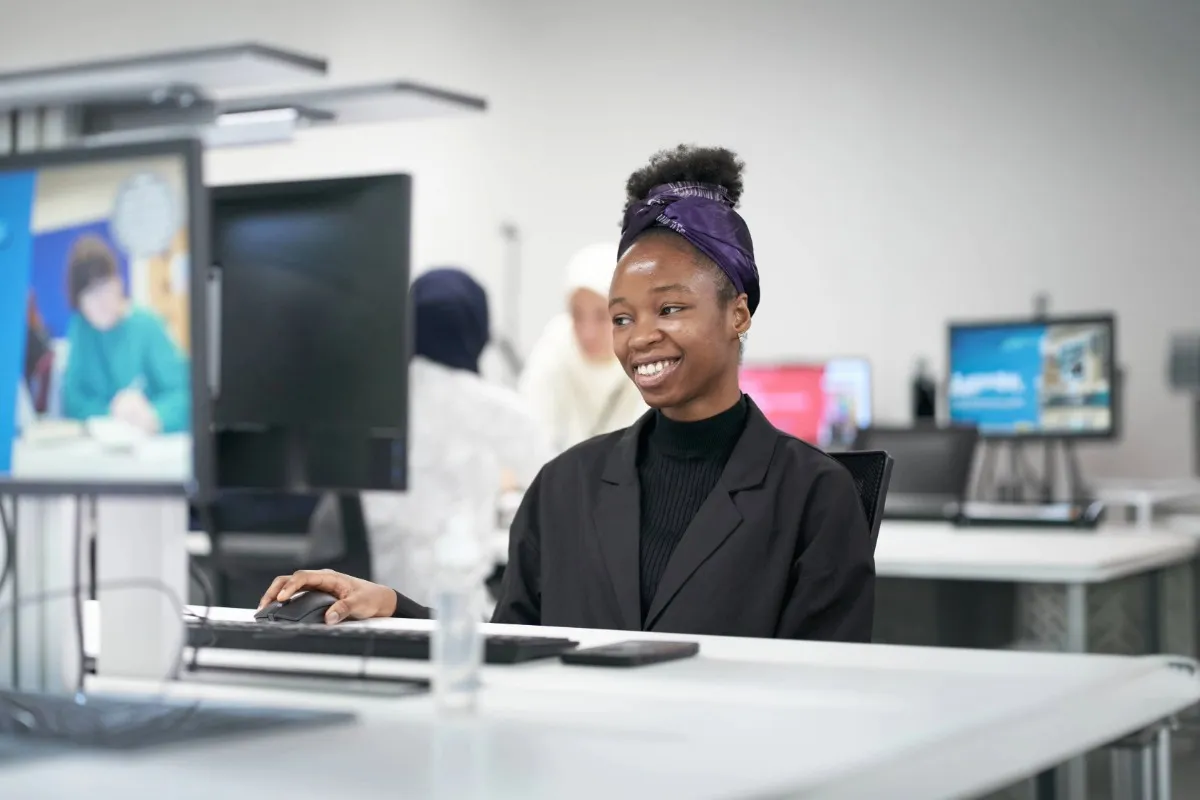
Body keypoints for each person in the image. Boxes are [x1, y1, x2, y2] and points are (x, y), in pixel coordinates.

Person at [261, 146, 875, 642]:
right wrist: (395, 608)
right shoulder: (564, 487)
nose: (640, 337)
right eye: (622, 317)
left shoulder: (815, 496)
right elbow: (513, 649)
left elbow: (823, 697)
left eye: (669, 308)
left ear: (738, 313)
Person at [306, 267, 551, 604]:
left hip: (368, 602)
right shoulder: (500, 411)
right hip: (458, 608)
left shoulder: (367, 403)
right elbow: (558, 496)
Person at [518, 242, 646, 452]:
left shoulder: (650, 354)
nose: (587, 333)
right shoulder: (558, 343)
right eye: (576, 314)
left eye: (602, 316)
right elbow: (529, 429)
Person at [59, 235, 189, 434]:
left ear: (119, 284)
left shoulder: (148, 325)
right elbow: (72, 400)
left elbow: (186, 394)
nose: (100, 301)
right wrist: (110, 413)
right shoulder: (80, 329)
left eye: (105, 287)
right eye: (89, 294)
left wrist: (155, 416)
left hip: (152, 441)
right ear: (78, 302)